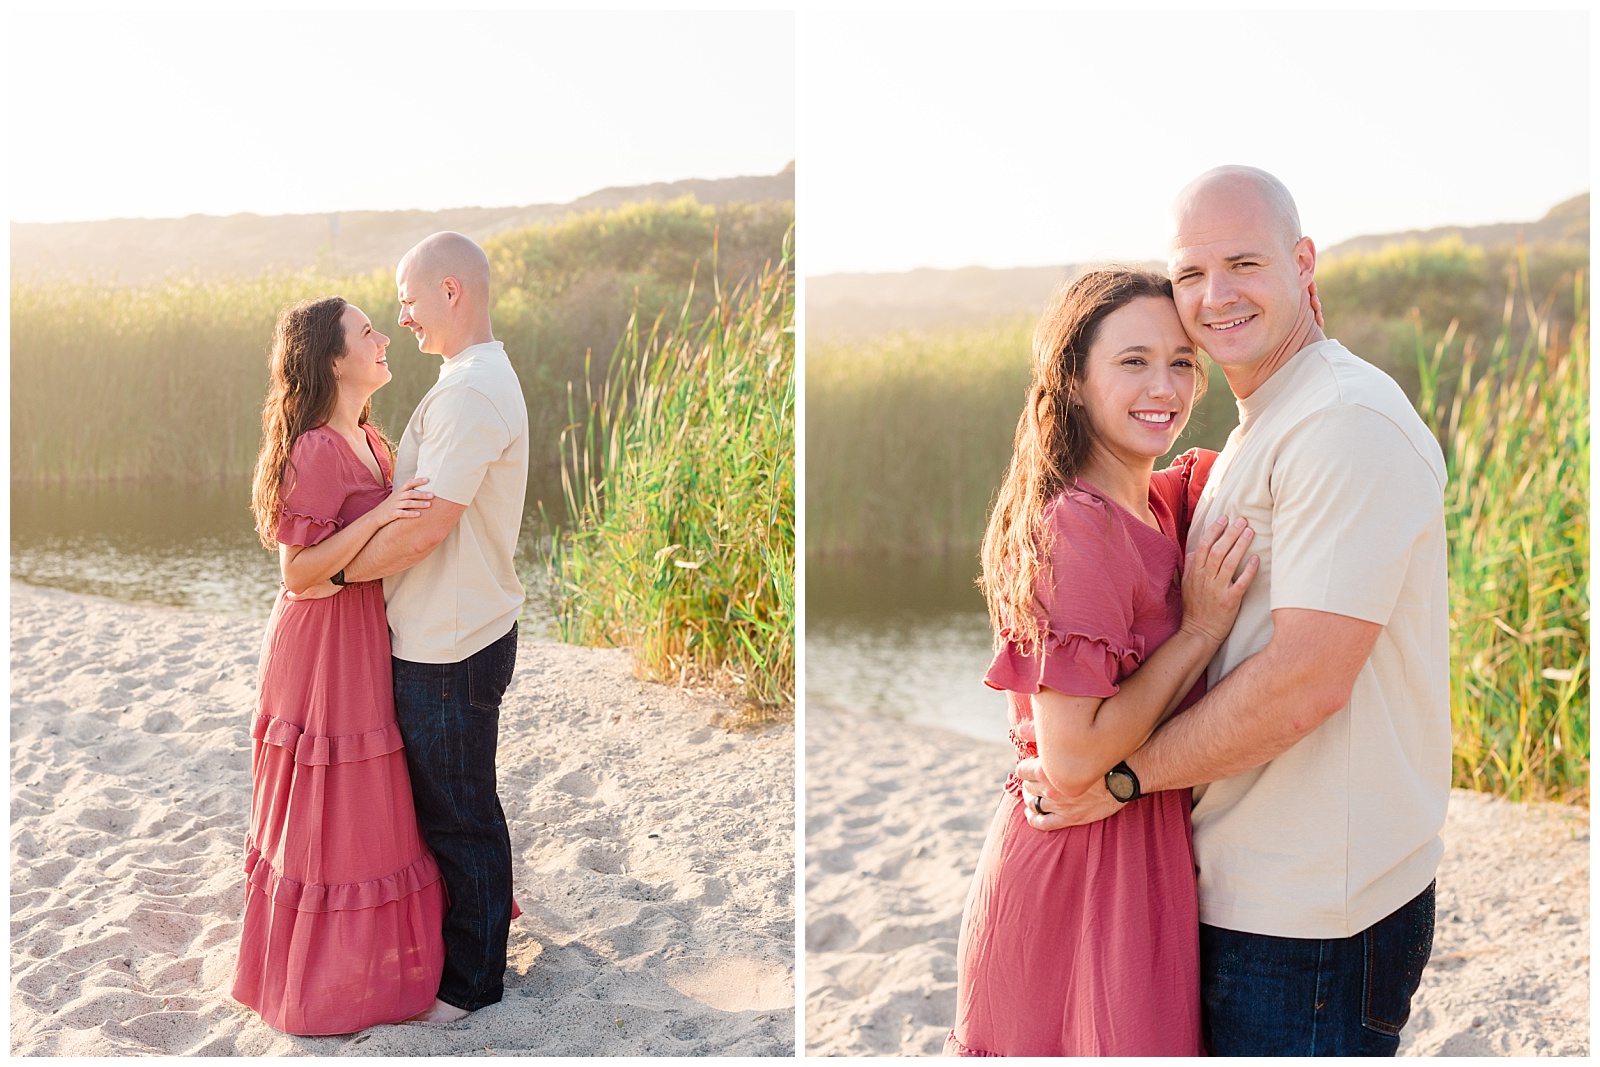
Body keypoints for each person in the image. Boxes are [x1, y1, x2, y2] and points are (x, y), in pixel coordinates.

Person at [1018, 166, 1451, 1057]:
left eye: (1244, 263)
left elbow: (1305, 681)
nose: (1214, 298)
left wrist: (1123, 780)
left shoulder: (1343, 419)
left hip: (1311, 918)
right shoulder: (1269, 423)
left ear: (1302, 263)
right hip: (1249, 889)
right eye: (1190, 273)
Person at [945, 268, 1259, 1056]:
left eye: (1183, 361)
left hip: (1134, 845)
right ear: (1075, 382)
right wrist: (1200, 630)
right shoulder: (1078, 528)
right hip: (1081, 861)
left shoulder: (1159, 498)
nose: (1166, 385)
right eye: (1133, 361)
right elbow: (1075, 754)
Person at [291, 231, 530, 1024]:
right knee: (452, 806)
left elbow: (427, 526)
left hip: (451, 642)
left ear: (451, 291)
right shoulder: (466, 379)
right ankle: (468, 959)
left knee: (460, 814)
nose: (403, 319)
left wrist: (338, 573)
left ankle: (470, 985)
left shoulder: (470, 391)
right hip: (446, 629)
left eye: (409, 299)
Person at [234, 296, 446, 1034]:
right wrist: (381, 516)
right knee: (331, 812)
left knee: (376, 801)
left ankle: (384, 968)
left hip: (360, 632)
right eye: (366, 333)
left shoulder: (370, 437)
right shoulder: (315, 449)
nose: (384, 337)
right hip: (321, 644)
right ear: (333, 358)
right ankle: (323, 986)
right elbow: (297, 573)